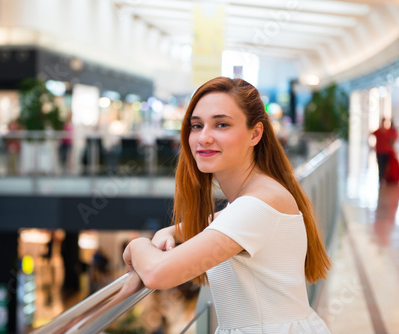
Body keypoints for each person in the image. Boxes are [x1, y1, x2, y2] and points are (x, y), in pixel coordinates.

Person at [123, 77, 331, 333]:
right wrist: (171, 231)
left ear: (255, 134)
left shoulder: (258, 204)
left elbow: (158, 274)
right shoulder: (256, 194)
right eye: (197, 125)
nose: (204, 137)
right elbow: (217, 222)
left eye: (221, 124)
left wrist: (136, 245)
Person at [372, 118, 396, 184]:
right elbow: (371, 134)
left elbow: (392, 141)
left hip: (386, 152)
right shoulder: (378, 131)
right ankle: (380, 178)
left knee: (386, 166)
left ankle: (384, 178)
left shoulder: (389, 131)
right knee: (380, 165)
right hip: (379, 151)